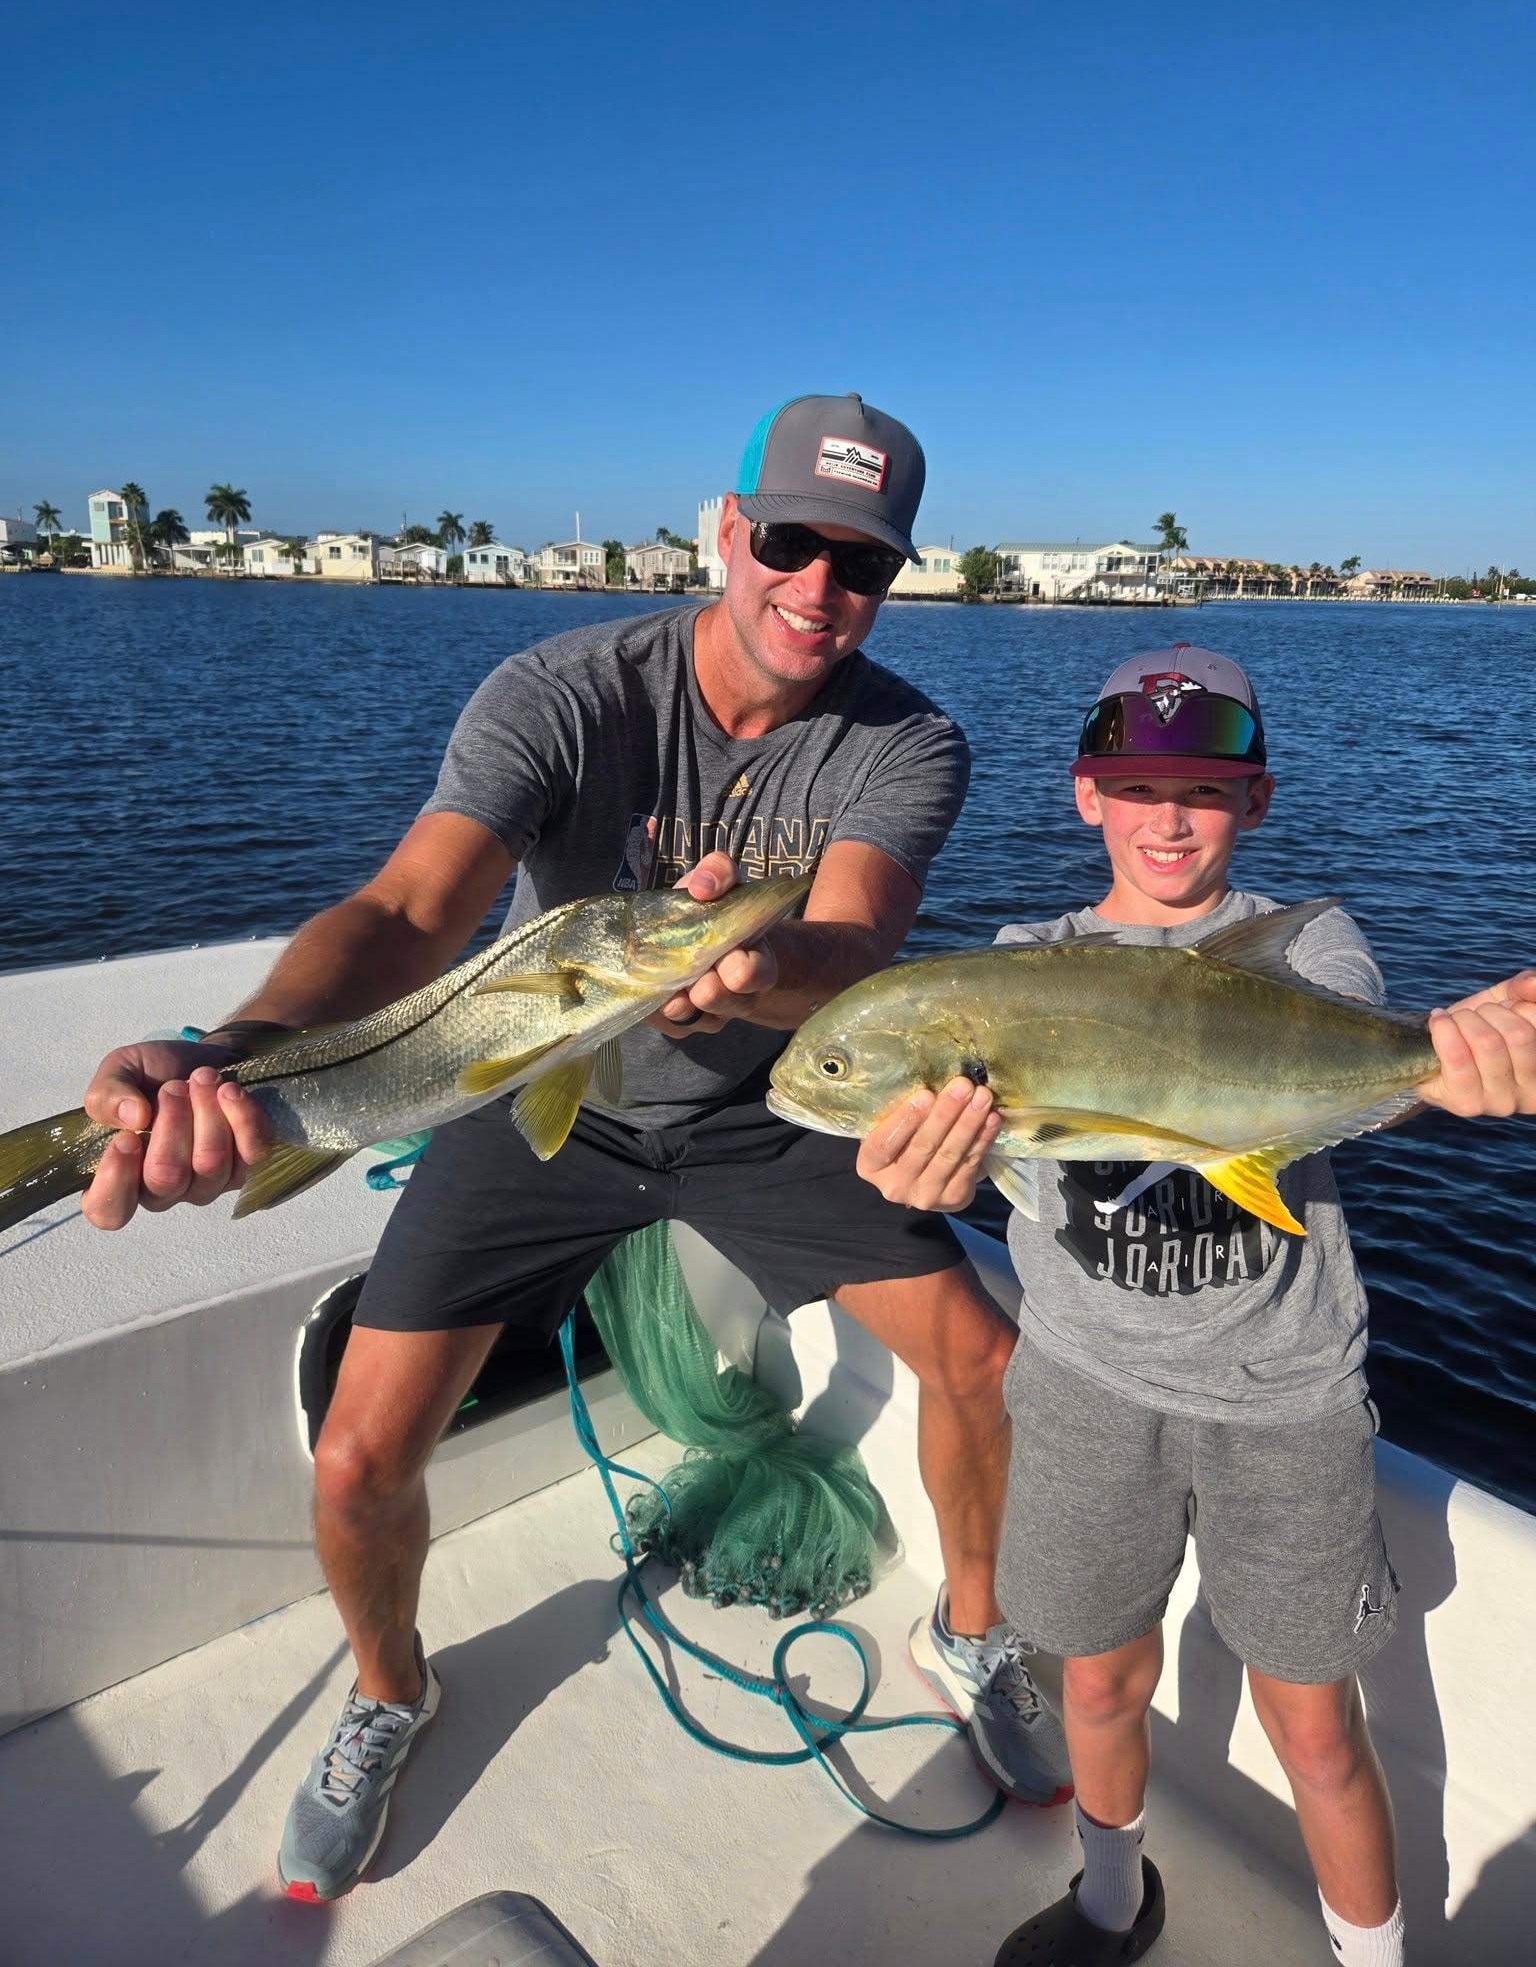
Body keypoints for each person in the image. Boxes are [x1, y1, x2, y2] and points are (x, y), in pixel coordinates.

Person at [76, 393, 1069, 1903]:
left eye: (859, 565)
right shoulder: (563, 688)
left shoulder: (909, 738)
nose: (817, 591)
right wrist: (232, 1051)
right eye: (790, 543)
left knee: (985, 1363)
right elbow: (412, 911)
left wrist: (758, 971)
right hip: (550, 1102)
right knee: (354, 1456)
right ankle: (392, 1694)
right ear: (726, 530)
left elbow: (858, 940)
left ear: (894, 579)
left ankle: (973, 1633)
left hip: (766, 1109)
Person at [855, 642, 1536, 1967]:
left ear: (1257, 803)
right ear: (1085, 796)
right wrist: (909, 1172)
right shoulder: (1015, 967)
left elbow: (1340, 1038)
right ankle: (1113, 1903)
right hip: (1084, 1387)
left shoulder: (1311, 946)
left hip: (1284, 1398)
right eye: (1139, 784)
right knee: (1100, 1680)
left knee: (1314, 1724)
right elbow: (964, 1146)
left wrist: (1458, 1068)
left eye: (1208, 792)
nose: (1172, 819)